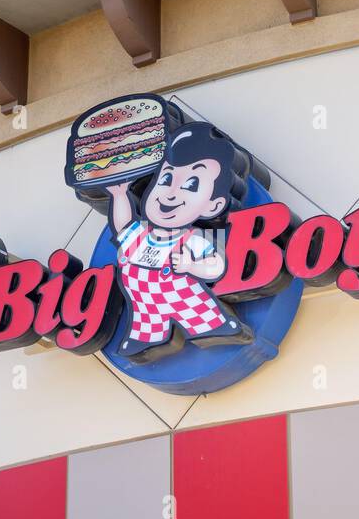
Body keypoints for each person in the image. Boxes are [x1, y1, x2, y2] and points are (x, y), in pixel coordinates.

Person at [105, 123, 252, 360]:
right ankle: (143, 341)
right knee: (146, 327)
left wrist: (192, 267)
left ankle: (218, 328)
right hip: (146, 310)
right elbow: (122, 226)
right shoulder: (141, 235)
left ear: (213, 206)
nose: (170, 193)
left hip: (189, 305)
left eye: (191, 184)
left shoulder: (192, 239)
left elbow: (216, 264)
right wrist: (120, 195)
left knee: (205, 320)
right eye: (166, 179)